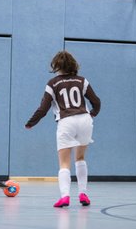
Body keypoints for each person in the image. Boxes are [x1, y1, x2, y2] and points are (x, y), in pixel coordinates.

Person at [25, 51, 101, 207]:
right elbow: (96, 101)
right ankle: (83, 194)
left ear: (56, 65)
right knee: (80, 158)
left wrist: (31, 123)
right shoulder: (82, 81)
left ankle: (65, 196)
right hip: (84, 119)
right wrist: (92, 114)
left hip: (66, 121)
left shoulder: (52, 83)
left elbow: (43, 109)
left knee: (64, 163)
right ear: (73, 64)